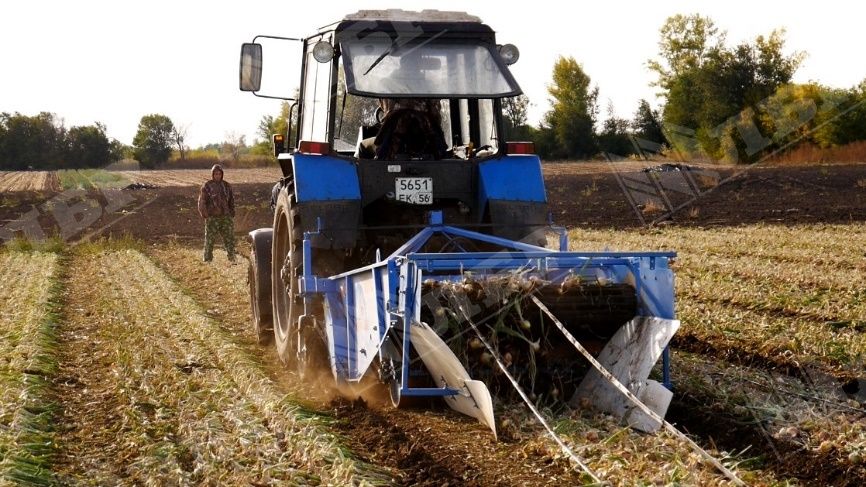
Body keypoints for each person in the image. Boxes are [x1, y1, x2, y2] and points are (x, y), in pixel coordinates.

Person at [197, 164, 237, 262]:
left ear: (222, 174)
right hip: (212, 218)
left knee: (230, 238)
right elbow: (202, 201)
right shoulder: (207, 186)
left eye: (219, 174)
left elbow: (231, 200)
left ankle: (232, 258)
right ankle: (207, 259)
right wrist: (206, 215)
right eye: (215, 174)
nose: (217, 176)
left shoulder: (227, 186)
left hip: (226, 217)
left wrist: (232, 213)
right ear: (212, 174)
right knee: (209, 240)